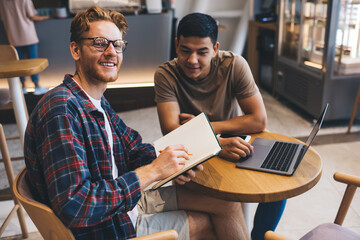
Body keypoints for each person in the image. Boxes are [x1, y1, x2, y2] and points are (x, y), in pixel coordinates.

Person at [24, 6, 250, 240]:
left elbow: (133, 147)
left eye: (117, 44)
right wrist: (153, 171)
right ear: (75, 50)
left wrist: (174, 162)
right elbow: (76, 206)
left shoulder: (94, 101)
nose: (111, 52)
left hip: (124, 202)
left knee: (227, 202)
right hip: (108, 226)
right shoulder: (60, 110)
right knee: (209, 224)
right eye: (100, 43)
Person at [154, 12, 287, 240]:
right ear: (176, 45)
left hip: (230, 139)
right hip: (191, 150)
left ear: (215, 48)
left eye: (202, 52)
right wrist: (214, 142)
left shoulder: (234, 64)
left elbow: (258, 119)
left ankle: (258, 236)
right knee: (225, 199)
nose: (192, 60)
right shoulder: (165, 74)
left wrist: (204, 125)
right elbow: (171, 131)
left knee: (279, 180)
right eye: (185, 50)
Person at [0, 0, 49, 95]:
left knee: (17, 63)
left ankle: (23, 86)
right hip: (28, 35)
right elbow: (33, 16)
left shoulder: (2, 2)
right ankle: (37, 86)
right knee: (33, 61)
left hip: (13, 36)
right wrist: (46, 17)